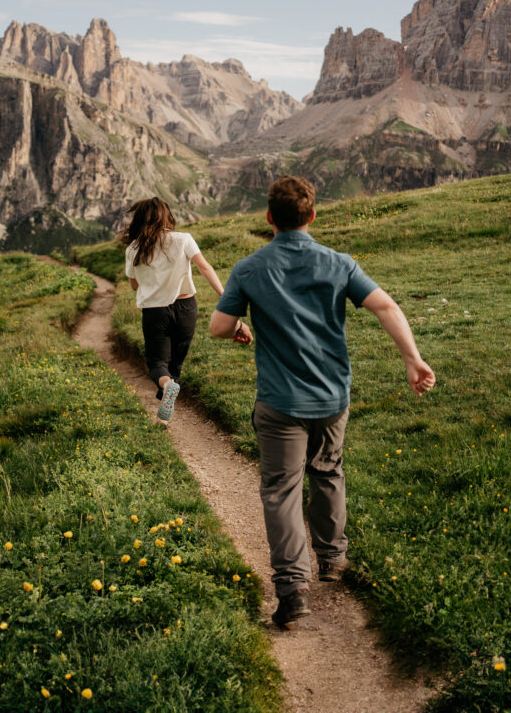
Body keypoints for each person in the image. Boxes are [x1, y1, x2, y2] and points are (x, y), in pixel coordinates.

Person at [209, 175, 435, 627]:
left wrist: (239, 326)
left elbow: (218, 326)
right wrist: (413, 359)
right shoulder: (339, 263)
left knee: (281, 490)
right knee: (328, 470)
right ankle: (334, 560)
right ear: (312, 216)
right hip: (333, 396)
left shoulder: (249, 268)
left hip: (280, 403)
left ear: (269, 218)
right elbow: (386, 306)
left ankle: (293, 592)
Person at [122, 197, 250, 422]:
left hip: (155, 312)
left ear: (139, 219)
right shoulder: (183, 239)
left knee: (157, 363)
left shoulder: (134, 248)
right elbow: (205, 267)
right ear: (166, 216)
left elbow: (134, 285)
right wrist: (227, 298)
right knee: (176, 363)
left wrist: (153, 280)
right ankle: (167, 403)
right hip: (186, 308)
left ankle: (167, 390)